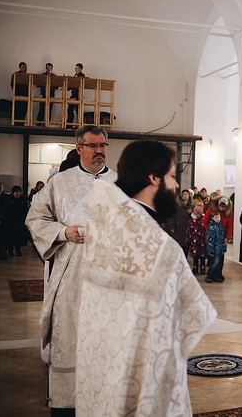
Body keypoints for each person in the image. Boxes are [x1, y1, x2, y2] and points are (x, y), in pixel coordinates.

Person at [74, 140, 216, 416]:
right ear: (154, 177)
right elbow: (191, 316)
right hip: (144, 374)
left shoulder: (108, 227)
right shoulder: (159, 246)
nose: (176, 185)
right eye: (172, 176)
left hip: (104, 365)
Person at [25, 125, 117, 415]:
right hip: (71, 277)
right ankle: (67, 404)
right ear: (79, 148)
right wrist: (65, 232)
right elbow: (35, 218)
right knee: (70, 338)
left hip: (110, 278)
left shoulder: (121, 183)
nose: (99, 151)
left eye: (103, 145)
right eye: (93, 145)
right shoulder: (60, 183)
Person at [166, 189, 194, 255]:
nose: (186, 196)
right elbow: (172, 216)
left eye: (187, 194)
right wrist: (172, 227)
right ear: (182, 195)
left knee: (186, 245)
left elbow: (196, 216)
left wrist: (191, 213)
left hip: (188, 228)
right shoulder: (177, 205)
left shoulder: (192, 205)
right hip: (178, 227)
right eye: (184, 194)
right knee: (178, 245)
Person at [4, 185, 29, 257]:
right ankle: (10, 251)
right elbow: (6, 211)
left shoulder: (23, 199)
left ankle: (18, 250)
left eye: (19, 192)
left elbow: (26, 210)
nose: (17, 194)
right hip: (10, 222)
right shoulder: (9, 199)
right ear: (13, 193)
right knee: (10, 237)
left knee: (19, 237)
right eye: (16, 192)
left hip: (20, 222)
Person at [205, 209, 226, 283]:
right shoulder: (212, 227)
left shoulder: (221, 226)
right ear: (212, 218)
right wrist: (211, 250)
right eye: (216, 217)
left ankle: (216, 276)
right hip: (214, 249)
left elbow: (222, 237)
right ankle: (209, 275)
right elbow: (210, 240)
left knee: (219, 263)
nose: (218, 219)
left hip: (220, 248)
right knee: (214, 263)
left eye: (219, 217)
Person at [185, 204, 207, 274]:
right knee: (195, 255)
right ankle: (195, 267)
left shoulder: (204, 221)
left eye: (197, 213)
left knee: (202, 255)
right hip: (194, 241)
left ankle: (202, 267)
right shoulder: (191, 221)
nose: (196, 214)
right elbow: (189, 230)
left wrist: (206, 238)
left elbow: (206, 230)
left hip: (202, 241)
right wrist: (189, 238)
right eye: (195, 213)